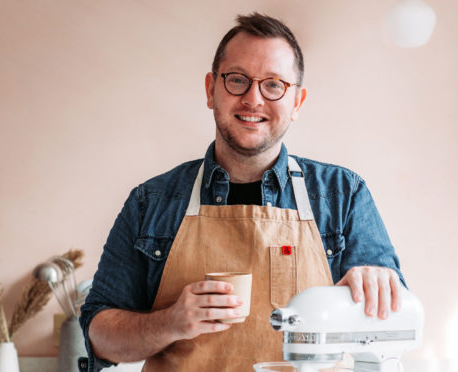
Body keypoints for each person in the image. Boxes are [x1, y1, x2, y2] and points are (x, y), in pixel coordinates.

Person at [80, 13, 405, 372]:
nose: (253, 99)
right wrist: (170, 322)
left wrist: (375, 291)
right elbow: (100, 338)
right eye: (237, 80)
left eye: (274, 85)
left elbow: (391, 327)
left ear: (297, 102)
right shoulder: (151, 202)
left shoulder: (343, 196)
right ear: (210, 90)